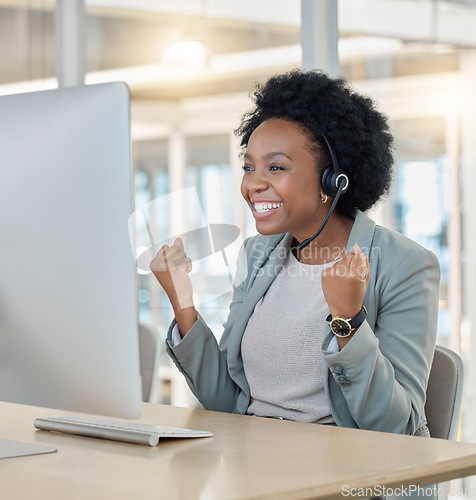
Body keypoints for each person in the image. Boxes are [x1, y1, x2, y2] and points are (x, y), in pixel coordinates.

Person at [150, 69, 440, 439]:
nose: (253, 184)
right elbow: (225, 402)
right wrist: (183, 301)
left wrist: (348, 321)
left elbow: (397, 426)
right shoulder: (258, 255)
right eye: (249, 167)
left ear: (332, 180)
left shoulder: (404, 265)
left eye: (276, 167)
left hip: (347, 477)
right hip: (256, 467)